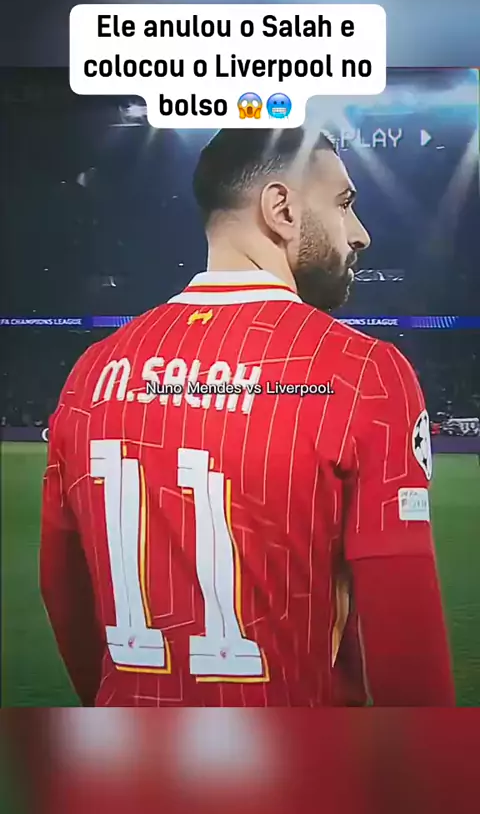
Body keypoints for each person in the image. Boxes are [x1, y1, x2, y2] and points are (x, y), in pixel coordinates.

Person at [41, 127, 455, 707]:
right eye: (343, 204)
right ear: (282, 210)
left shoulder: (94, 371)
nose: (360, 233)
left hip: (127, 752)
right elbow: (404, 635)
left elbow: (63, 589)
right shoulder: (363, 371)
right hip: (297, 754)